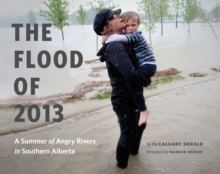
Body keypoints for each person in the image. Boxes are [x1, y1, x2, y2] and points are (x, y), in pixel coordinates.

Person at [93, 8, 151, 169]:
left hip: (132, 94)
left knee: (140, 126)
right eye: (114, 16)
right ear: (106, 27)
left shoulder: (121, 40)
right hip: (124, 98)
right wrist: (146, 80)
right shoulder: (115, 46)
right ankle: (122, 167)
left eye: (118, 14)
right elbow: (130, 74)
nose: (119, 16)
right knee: (128, 134)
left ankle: (134, 155)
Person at [102, 11, 157, 127]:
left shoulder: (136, 35)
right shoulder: (120, 39)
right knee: (135, 85)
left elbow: (120, 39)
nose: (131, 28)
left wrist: (107, 39)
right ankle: (142, 108)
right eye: (127, 25)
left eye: (134, 25)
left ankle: (143, 109)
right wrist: (106, 36)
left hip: (148, 64)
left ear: (138, 26)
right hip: (143, 66)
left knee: (132, 83)